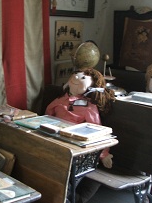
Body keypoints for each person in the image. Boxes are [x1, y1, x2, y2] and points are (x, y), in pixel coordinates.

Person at [45, 68, 115, 203]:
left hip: (78, 148)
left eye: (82, 78)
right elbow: (48, 114)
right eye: (75, 75)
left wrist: (104, 154)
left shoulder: (88, 106)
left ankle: (66, 197)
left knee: (63, 169)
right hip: (57, 141)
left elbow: (96, 130)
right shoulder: (61, 100)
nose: (76, 78)